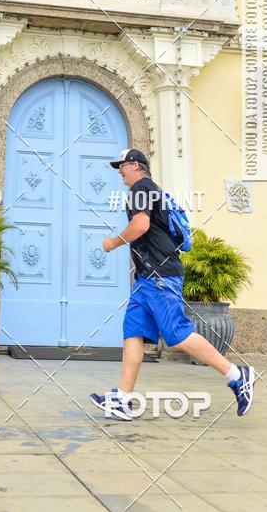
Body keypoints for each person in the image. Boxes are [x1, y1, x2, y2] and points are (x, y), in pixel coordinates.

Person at [90, 149, 256, 420]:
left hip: (160, 277)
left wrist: (113, 242)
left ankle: (238, 375)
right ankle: (123, 398)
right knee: (132, 331)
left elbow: (141, 225)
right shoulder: (153, 190)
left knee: (177, 333)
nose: (119, 171)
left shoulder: (140, 188)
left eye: (122, 165)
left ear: (135, 165)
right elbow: (156, 233)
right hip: (147, 278)